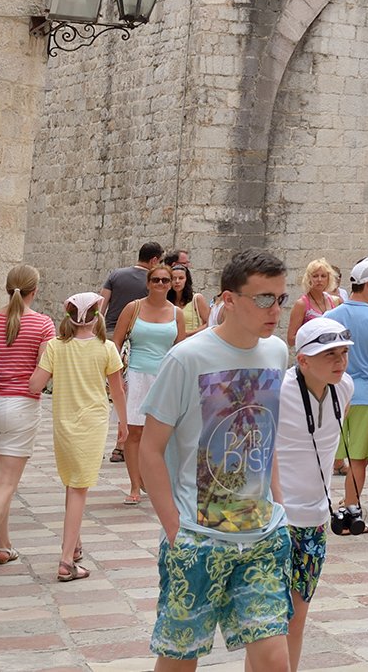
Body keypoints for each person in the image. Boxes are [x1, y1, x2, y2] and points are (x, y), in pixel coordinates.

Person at [140, 248, 294, 672]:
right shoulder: (187, 359)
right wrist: (176, 529)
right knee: (179, 660)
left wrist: (280, 507)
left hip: (261, 536)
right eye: (263, 298)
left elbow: (266, 439)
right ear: (229, 299)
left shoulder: (277, 354)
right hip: (198, 537)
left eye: (280, 298)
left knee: (273, 661)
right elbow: (149, 449)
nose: (275, 309)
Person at [0, 263, 54, 580]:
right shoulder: (43, 325)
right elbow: (41, 378)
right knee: (6, 484)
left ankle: (5, 545)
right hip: (21, 406)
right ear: (35, 290)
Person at [275, 316, 352, 671]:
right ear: (302, 359)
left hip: (316, 522)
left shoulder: (345, 387)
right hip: (276, 522)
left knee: (298, 615)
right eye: (329, 355)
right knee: (268, 625)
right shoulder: (277, 389)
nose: (339, 362)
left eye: (343, 353)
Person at [32, 293, 126, 582]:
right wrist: (123, 422)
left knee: (73, 484)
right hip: (92, 423)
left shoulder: (55, 348)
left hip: (63, 422)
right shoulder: (107, 348)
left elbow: (35, 384)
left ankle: (73, 547)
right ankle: (65, 561)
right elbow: (117, 390)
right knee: (79, 488)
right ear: (97, 316)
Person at [327, 258, 368, 523]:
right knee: (357, 459)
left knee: (327, 454)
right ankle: (351, 509)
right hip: (366, 394)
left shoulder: (330, 317)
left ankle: (329, 505)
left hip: (333, 393)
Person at [112, 261, 183, 505]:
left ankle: (152, 480)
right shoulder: (133, 308)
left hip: (164, 378)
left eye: (166, 280)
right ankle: (134, 484)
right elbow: (117, 341)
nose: (161, 284)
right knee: (134, 432)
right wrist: (117, 377)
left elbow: (181, 349)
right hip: (135, 374)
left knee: (162, 434)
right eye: (156, 280)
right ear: (148, 283)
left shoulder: (177, 313)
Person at [101, 241, 163, 333]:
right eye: (160, 261)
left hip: (111, 331)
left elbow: (101, 306)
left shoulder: (115, 274)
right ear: (154, 260)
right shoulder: (154, 282)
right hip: (137, 333)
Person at [285, 258, 342, 348]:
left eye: (323, 276)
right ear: (309, 278)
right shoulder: (302, 304)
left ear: (328, 278)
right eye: (315, 276)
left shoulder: (333, 301)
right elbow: (291, 340)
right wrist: (316, 336)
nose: (319, 280)